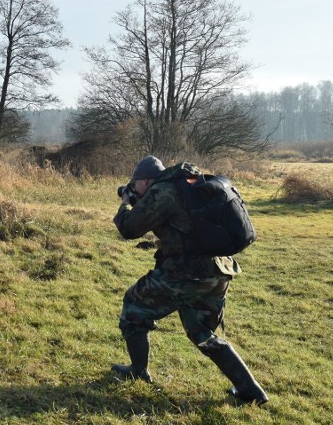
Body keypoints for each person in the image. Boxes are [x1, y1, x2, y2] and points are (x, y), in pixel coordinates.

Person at [111, 155, 269, 405]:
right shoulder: (188, 182)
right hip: (218, 270)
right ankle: (251, 392)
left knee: (134, 306)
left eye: (136, 183)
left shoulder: (161, 191)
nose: (133, 187)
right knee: (201, 331)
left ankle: (138, 371)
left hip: (187, 273)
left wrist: (125, 204)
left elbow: (129, 229)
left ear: (146, 180)